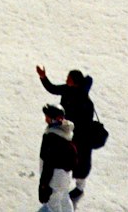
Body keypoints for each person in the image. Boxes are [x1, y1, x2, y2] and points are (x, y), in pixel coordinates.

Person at [36, 65, 95, 201]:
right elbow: (53, 88)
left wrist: (71, 128)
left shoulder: (85, 101)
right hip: (67, 131)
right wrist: (43, 77)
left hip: (80, 136)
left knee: (81, 162)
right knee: (66, 160)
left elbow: (86, 122)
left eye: (68, 78)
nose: (66, 79)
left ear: (75, 81)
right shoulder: (67, 89)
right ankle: (64, 183)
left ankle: (80, 187)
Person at [37, 103, 76, 212]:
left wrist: (44, 185)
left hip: (54, 178)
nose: (45, 119)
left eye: (48, 117)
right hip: (65, 176)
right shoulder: (66, 131)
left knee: (53, 205)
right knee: (64, 198)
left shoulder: (51, 138)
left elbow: (48, 164)